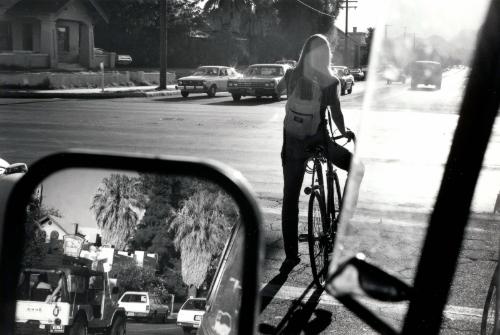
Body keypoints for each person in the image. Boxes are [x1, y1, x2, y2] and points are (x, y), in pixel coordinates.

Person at [277, 34, 364, 273]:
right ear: (326, 56)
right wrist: (345, 132)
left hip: (293, 143)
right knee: (357, 168)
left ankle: (291, 257)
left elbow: (282, 95)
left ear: (304, 52)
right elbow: (336, 115)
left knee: (290, 198)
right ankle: (340, 222)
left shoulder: (291, 75)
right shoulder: (331, 81)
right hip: (320, 141)